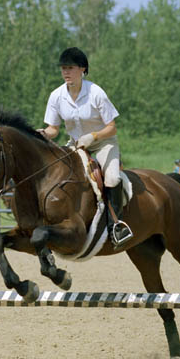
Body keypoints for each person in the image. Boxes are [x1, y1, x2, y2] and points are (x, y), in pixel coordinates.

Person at [41, 47, 133, 247]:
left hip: (103, 143)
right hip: (75, 146)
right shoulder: (56, 95)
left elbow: (112, 128)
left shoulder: (96, 93)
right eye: (63, 68)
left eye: (70, 68)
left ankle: (116, 225)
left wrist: (93, 136)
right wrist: (42, 133)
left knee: (112, 178)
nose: (66, 72)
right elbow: (53, 129)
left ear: (82, 69)